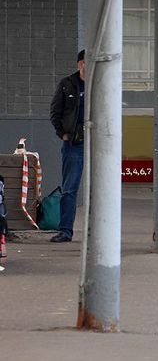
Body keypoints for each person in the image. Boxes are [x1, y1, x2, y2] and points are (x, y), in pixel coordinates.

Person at [48, 49, 86, 243]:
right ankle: (65, 231)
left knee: (101, 188)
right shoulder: (67, 84)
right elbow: (55, 112)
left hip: (98, 145)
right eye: (87, 62)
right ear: (80, 63)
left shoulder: (100, 84)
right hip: (74, 143)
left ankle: (98, 231)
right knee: (70, 188)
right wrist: (62, 133)